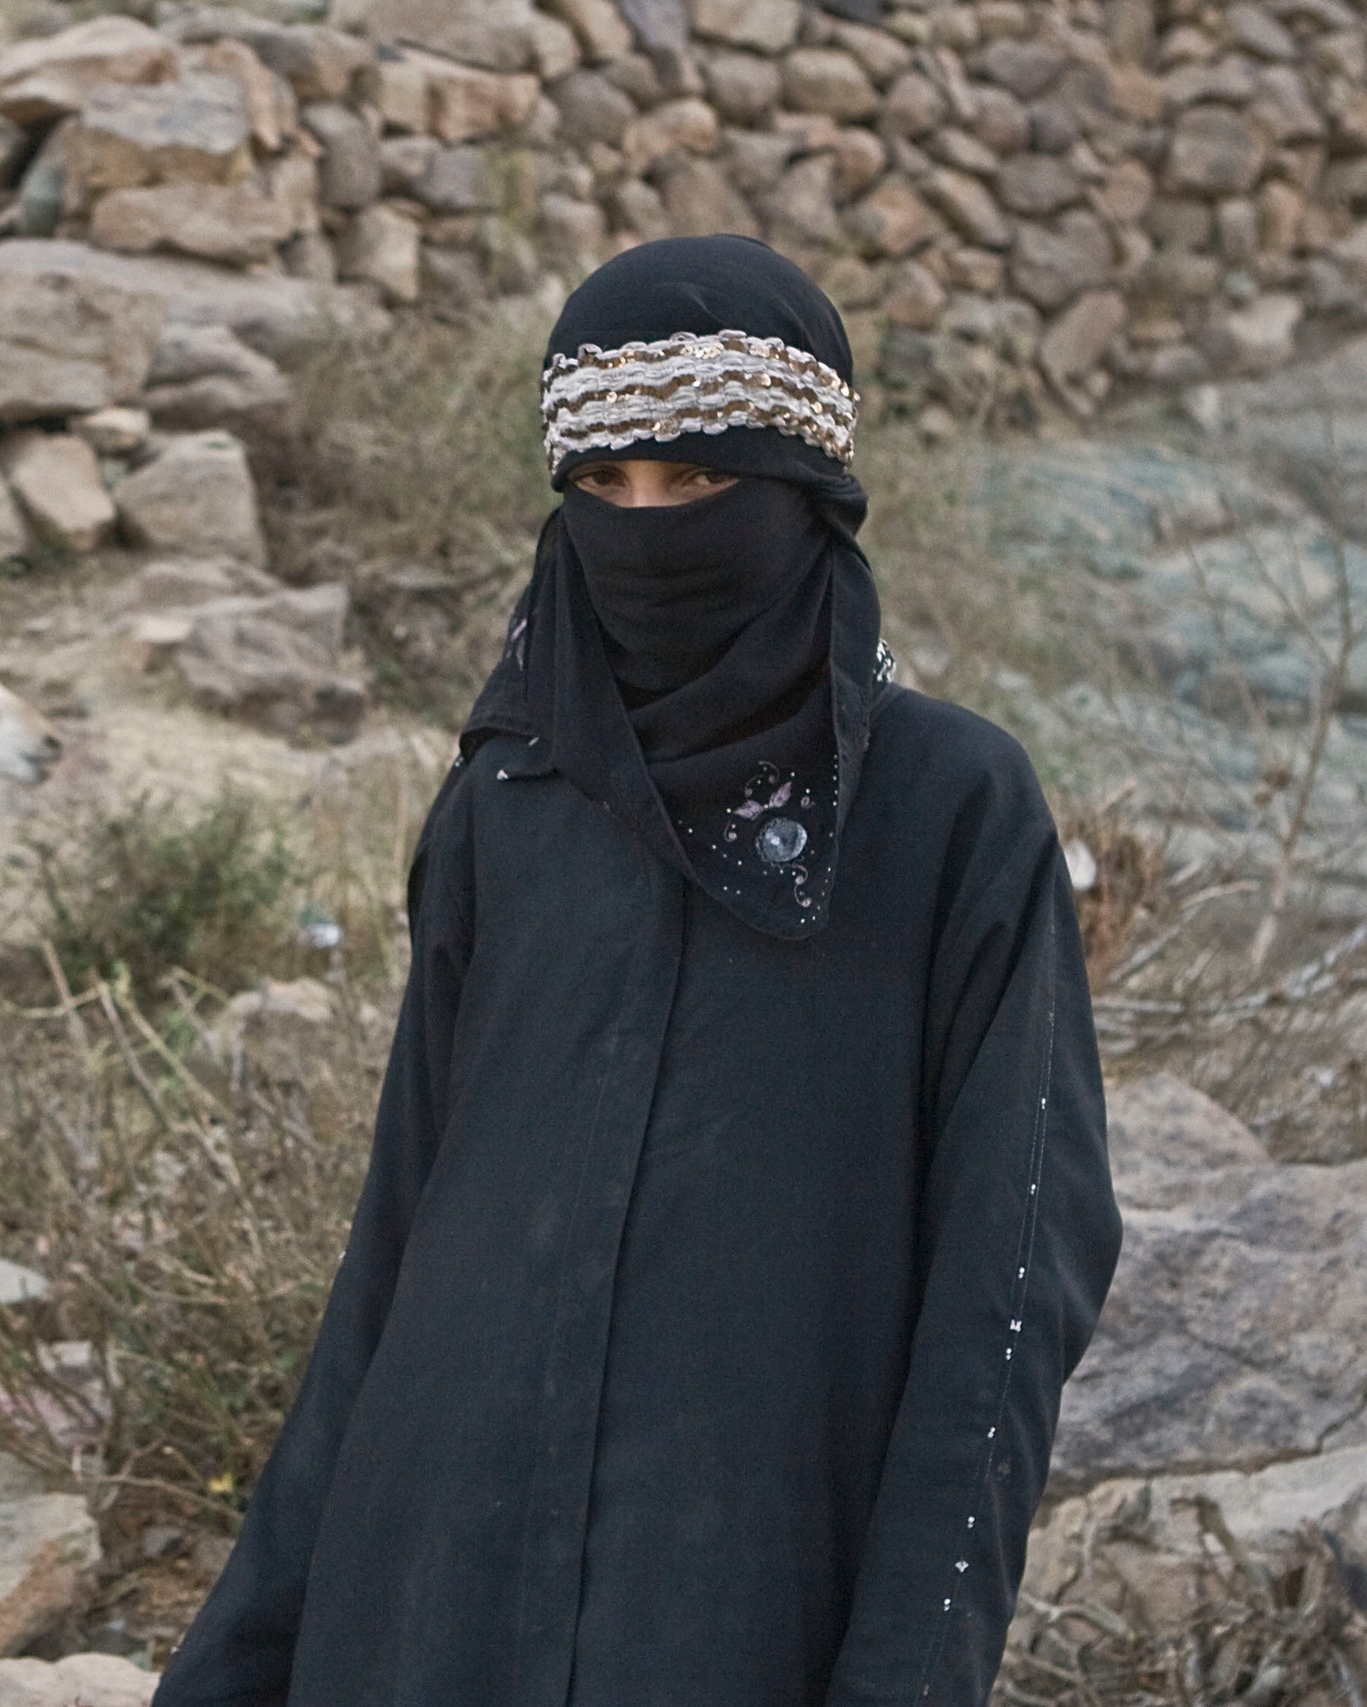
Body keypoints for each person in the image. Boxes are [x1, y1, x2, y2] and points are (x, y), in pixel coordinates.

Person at [151, 235, 1124, 1707]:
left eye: (698, 480)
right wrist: (245, 1657)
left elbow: (1011, 1283)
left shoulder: (946, 809)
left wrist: (910, 1672)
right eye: (603, 484)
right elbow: (401, 1239)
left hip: (741, 1588)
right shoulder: (513, 797)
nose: (646, 526)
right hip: (432, 1579)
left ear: (805, 491)